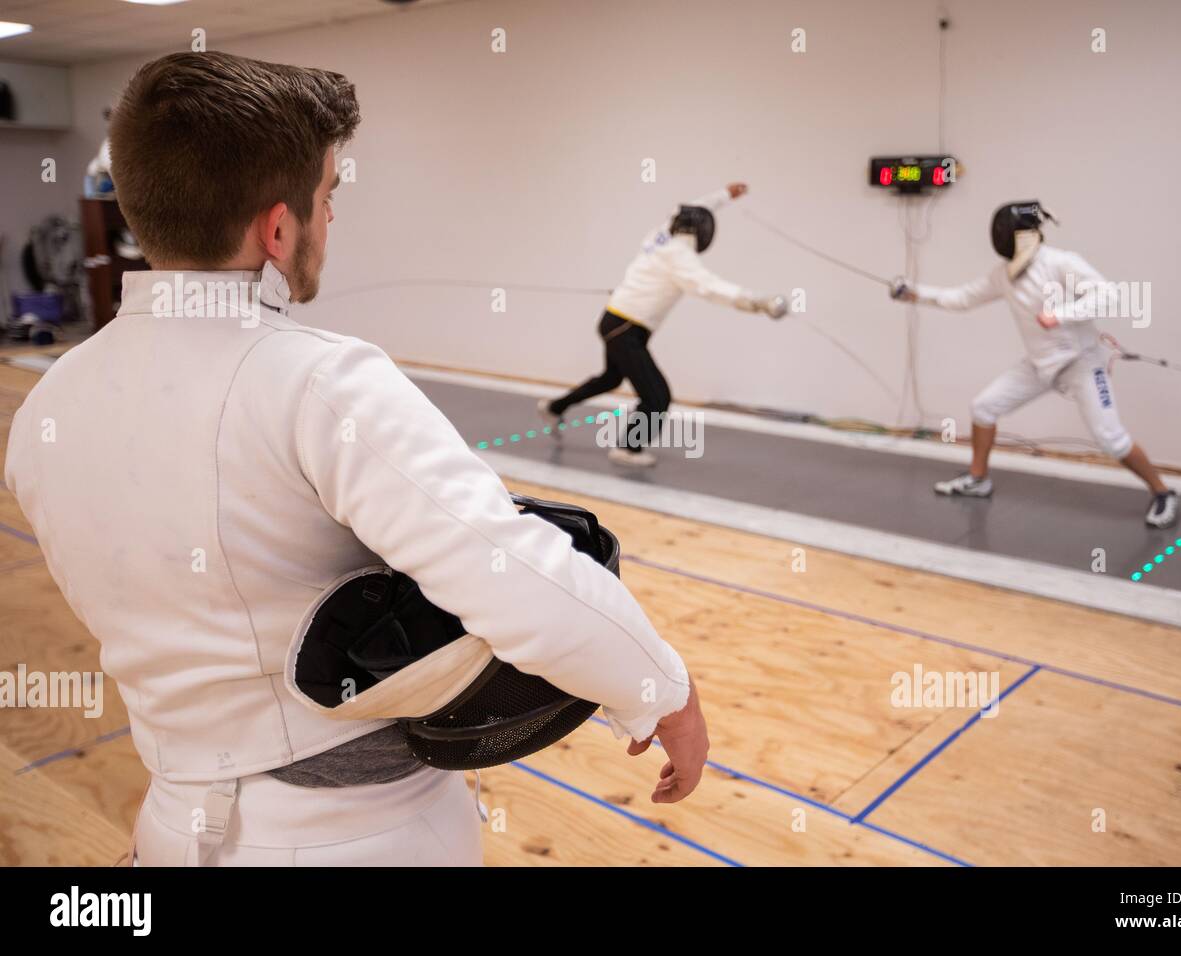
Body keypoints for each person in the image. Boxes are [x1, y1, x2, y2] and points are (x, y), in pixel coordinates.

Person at [4, 51, 708, 866]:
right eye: (327, 197)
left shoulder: (48, 403)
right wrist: (663, 692)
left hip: (173, 828)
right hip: (361, 841)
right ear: (277, 227)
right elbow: (514, 575)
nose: (330, 219)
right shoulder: (320, 381)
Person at [892, 201, 1177, 528]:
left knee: (1110, 439)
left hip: (1082, 364)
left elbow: (1109, 295)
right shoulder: (1004, 276)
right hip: (1041, 365)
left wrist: (1059, 315)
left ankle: (1163, 492)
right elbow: (962, 298)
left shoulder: (1060, 263)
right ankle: (978, 479)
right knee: (983, 407)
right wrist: (913, 293)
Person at [540, 183, 787, 467]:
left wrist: (725, 195)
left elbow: (693, 207)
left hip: (616, 321)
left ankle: (553, 407)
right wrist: (758, 302)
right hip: (625, 329)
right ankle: (628, 449)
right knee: (657, 396)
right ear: (703, 233)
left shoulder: (661, 234)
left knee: (611, 378)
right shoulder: (680, 258)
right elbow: (709, 287)